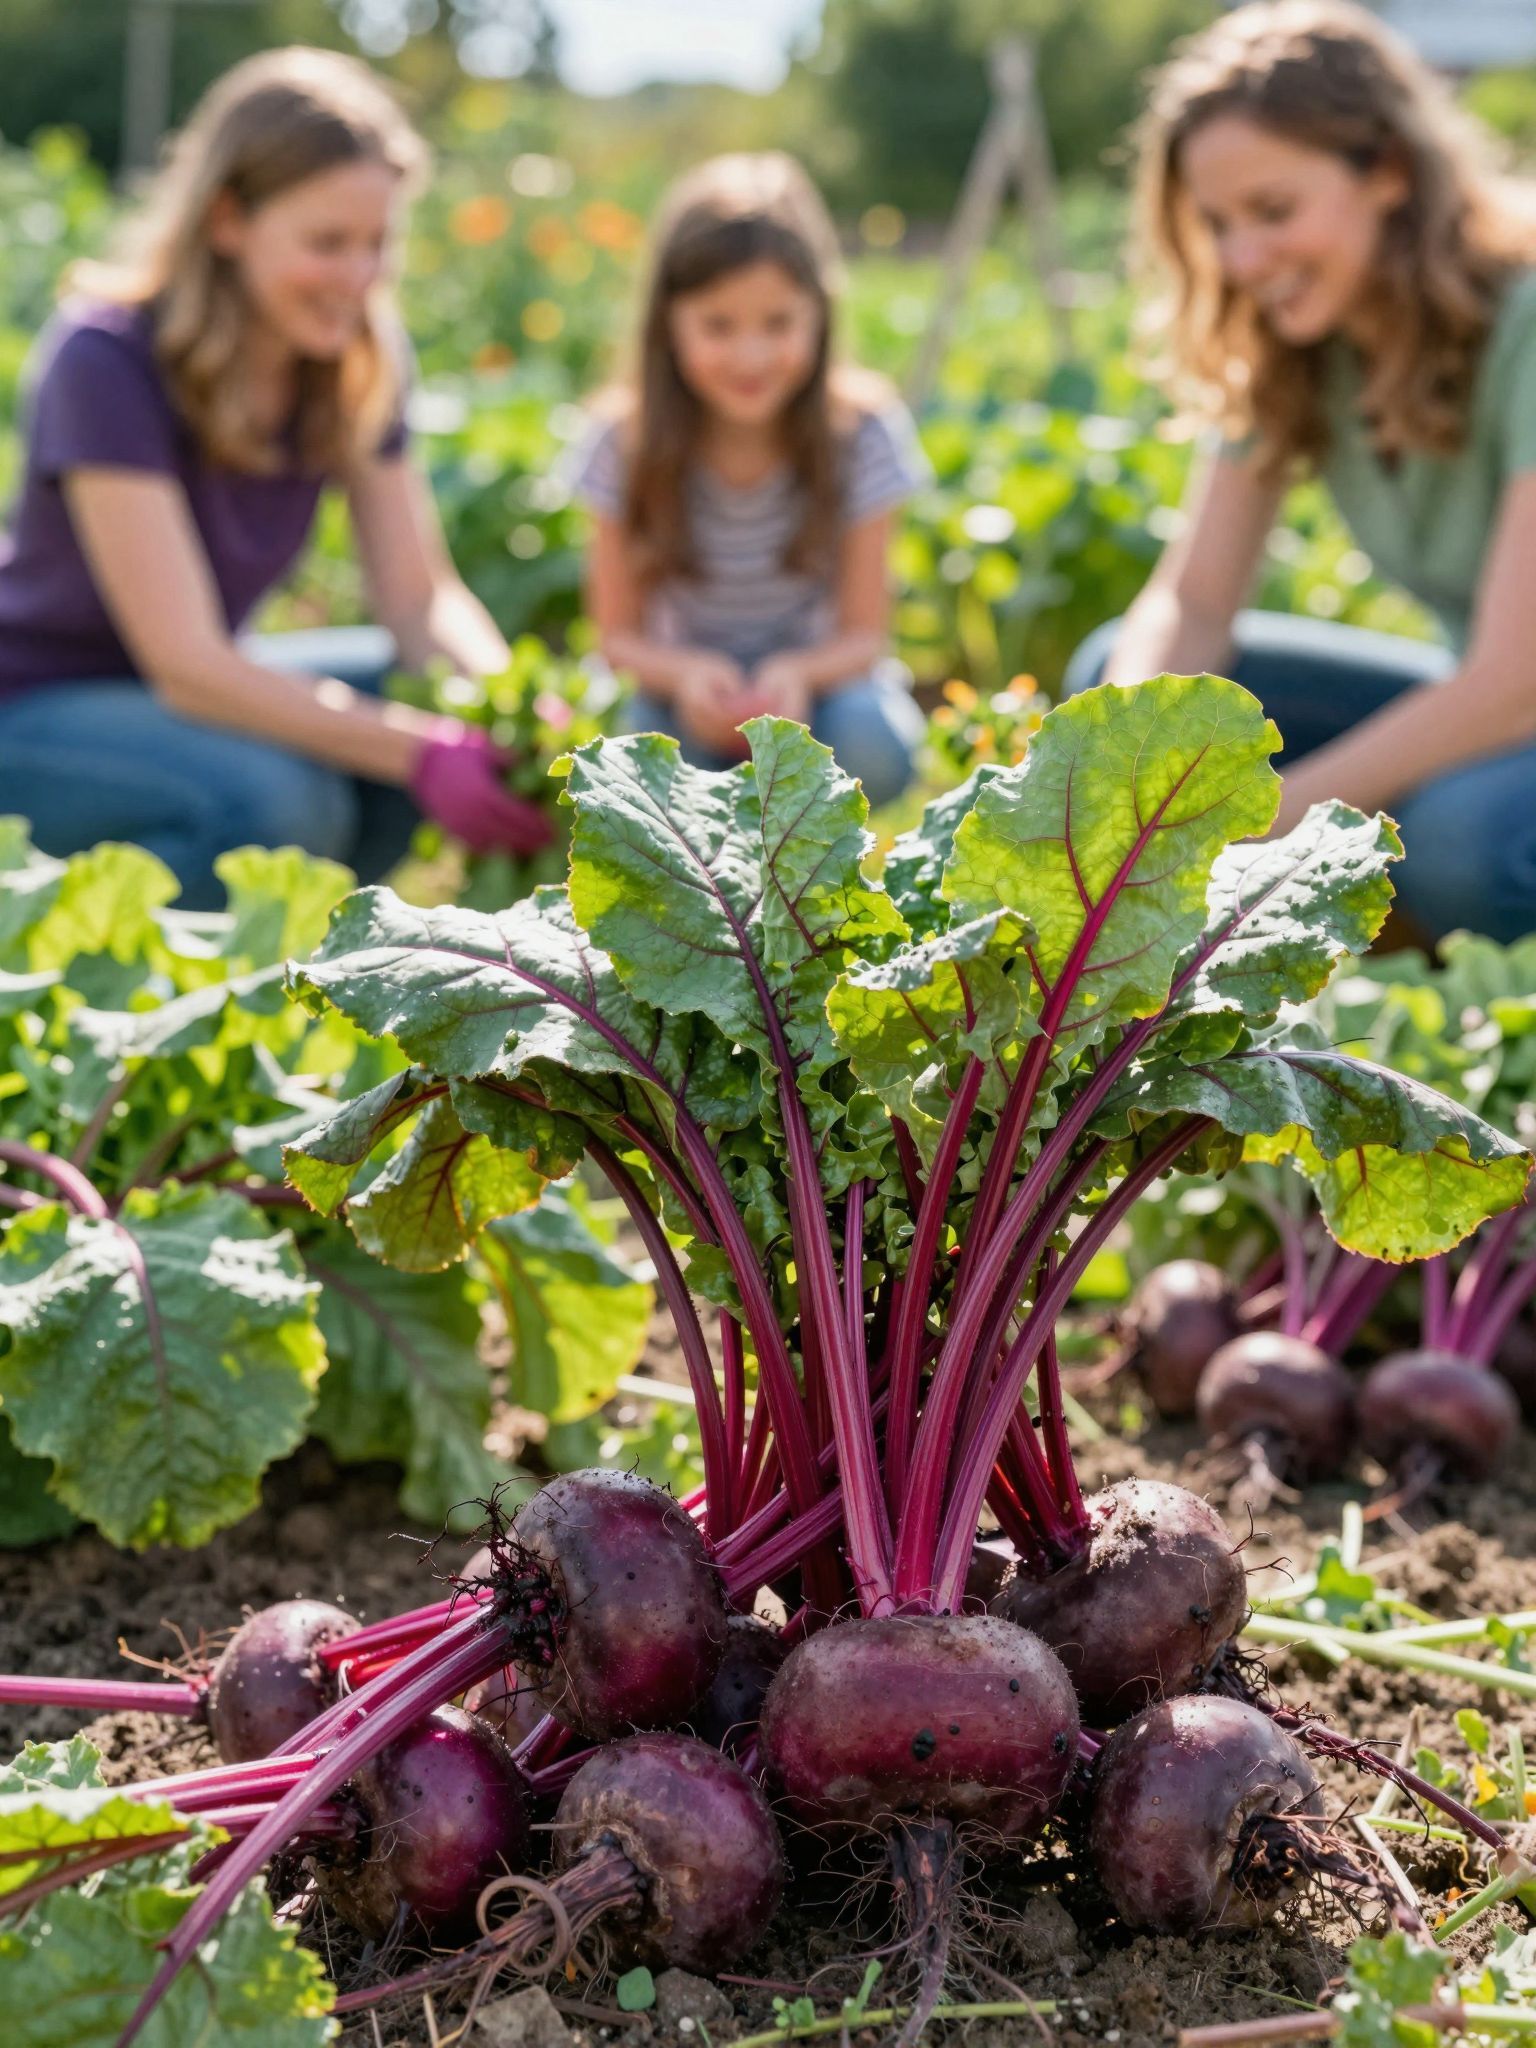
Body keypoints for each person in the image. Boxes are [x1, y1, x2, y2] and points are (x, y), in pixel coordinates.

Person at [0, 47, 549, 907]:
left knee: (410, 697)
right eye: (327, 243)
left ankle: (297, 959)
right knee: (276, 801)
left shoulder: (353, 358)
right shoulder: (106, 358)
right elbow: (187, 664)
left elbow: (418, 599)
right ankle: (108, 965)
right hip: (36, 706)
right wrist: (419, 751)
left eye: (377, 243)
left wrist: (503, 708)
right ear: (227, 220)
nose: (358, 278)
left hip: (179, 692)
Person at [1064, 0, 1536, 942]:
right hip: (1495, 702)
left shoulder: (1525, 320)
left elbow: (1516, 679)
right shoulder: (1300, 342)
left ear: (1390, 170)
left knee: (1457, 843)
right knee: (1127, 692)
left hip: (1513, 693)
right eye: (1217, 223)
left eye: (1273, 212)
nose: (1242, 258)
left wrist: (1264, 832)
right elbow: (1194, 603)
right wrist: (1120, 785)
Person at [569, 151, 927, 806]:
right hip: (673, 698)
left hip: (818, 697)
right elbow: (615, 638)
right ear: (668, 324)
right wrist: (686, 675)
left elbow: (865, 636)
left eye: (779, 323)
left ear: (819, 314)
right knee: (622, 739)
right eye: (718, 326)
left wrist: (797, 675)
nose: (751, 354)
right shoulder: (621, 441)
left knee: (872, 740)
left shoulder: (862, 432)